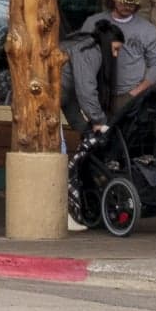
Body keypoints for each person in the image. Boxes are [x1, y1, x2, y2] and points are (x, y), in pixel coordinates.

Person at [62, 15, 127, 233]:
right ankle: (64, 212)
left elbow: (68, 100)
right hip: (41, 105)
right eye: (116, 49)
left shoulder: (79, 47)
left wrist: (83, 128)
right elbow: (85, 90)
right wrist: (99, 122)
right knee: (58, 155)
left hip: (50, 101)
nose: (116, 55)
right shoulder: (90, 52)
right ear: (108, 44)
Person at [104, 0, 156, 99]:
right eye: (124, 2)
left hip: (131, 93)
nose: (128, 6)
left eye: (131, 3)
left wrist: (136, 92)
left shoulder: (147, 29)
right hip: (100, 93)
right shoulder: (96, 24)